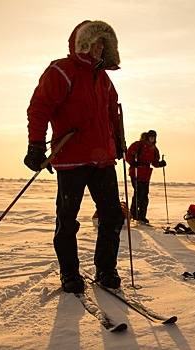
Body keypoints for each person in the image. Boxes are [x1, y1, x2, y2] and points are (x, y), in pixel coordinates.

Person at [24, 20, 125, 293]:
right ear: (83, 43)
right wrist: (35, 145)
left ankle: (106, 270)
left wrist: (119, 141)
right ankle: (69, 273)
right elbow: (39, 108)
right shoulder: (61, 71)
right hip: (71, 158)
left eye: (104, 43)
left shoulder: (104, 78)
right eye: (96, 41)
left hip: (103, 159)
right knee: (68, 219)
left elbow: (112, 114)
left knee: (113, 217)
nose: (100, 47)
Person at [125, 130, 166, 224]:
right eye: (151, 136)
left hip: (146, 174)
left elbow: (154, 163)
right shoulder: (138, 144)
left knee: (144, 195)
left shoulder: (154, 149)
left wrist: (160, 164)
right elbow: (128, 155)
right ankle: (134, 214)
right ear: (147, 136)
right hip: (136, 172)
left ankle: (142, 215)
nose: (152, 138)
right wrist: (133, 162)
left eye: (154, 137)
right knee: (138, 193)